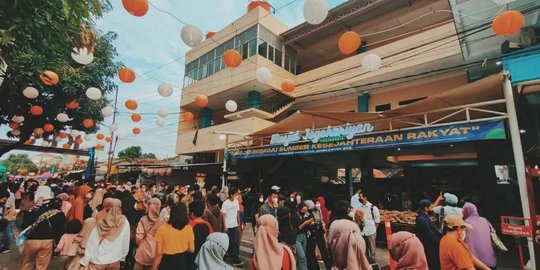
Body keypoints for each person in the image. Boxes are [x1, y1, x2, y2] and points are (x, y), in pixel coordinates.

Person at [20, 187, 67, 270]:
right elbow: (61, 229)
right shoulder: (58, 213)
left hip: (32, 240)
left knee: (26, 263)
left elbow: (24, 225)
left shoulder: (32, 210)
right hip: (48, 241)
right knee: (41, 266)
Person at [80, 198, 130, 270]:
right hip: (115, 259)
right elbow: (126, 241)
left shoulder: (101, 223)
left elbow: (92, 243)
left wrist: (85, 260)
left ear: (107, 209)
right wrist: (123, 257)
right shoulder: (125, 222)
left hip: (98, 260)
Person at [152, 204, 195, 270]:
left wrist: (154, 268)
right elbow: (192, 249)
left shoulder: (162, 229)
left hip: (167, 263)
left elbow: (158, 253)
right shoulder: (189, 228)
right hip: (182, 262)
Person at [462, 202, 497, 269]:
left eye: (463, 210)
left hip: (476, 263)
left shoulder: (464, 224)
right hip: (491, 261)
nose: (462, 212)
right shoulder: (484, 220)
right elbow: (493, 233)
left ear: (467, 212)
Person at [135, 198, 166, 270]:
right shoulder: (162, 221)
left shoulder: (143, 219)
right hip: (157, 252)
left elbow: (138, 238)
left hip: (143, 252)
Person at [305, 200, 332, 270]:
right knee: (311, 253)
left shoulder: (318, 210)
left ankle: (329, 267)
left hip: (319, 231)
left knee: (324, 251)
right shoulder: (306, 213)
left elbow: (321, 219)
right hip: (311, 234)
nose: (317, 205)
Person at [354, 191, 380, 264]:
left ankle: (374, 266)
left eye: (361, 196)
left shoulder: (373, 208)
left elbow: (377, 221)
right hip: (362, 232)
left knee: (372, 253)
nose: (359, 198)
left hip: (371, 232)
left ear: (365, 198)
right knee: (364, 251)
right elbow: (356, 220)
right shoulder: (358, 208)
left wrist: (374, 230)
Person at [415, 199, 441, 270]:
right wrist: (438, 242)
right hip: (428, 245)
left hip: (429, 244)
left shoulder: (423, 216)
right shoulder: (422, 219)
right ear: (426, 208)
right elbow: (429, 234)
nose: (432, 207)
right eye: (430, 206)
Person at [221, 187, 244, 267]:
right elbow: (223, 215)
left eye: (237, 194)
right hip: (227, 225)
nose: (237, 196)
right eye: (235, 194)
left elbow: (237, 213)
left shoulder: (236, 202)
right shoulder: (225, 203)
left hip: (234, 225)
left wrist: (238, 222)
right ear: (231, 195)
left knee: (235, 240)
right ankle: (225, 256)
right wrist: (225, 226)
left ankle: (236, 257)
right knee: (228, 241)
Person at [189, 201, 213, 269]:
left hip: (192, 258)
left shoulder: (190, 226)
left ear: (192, 213)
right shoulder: (208, 225)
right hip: (204, 257)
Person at [291, 203, 312, 270]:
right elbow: (297, 228)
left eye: (305, 211)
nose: (304, 212)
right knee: (302, 257)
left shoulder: (304, 216)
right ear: (299, 209)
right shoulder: (294, 217)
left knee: (302, 258)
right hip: (297, 237)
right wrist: (305, 223)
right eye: (303, 210)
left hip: (304, 236)